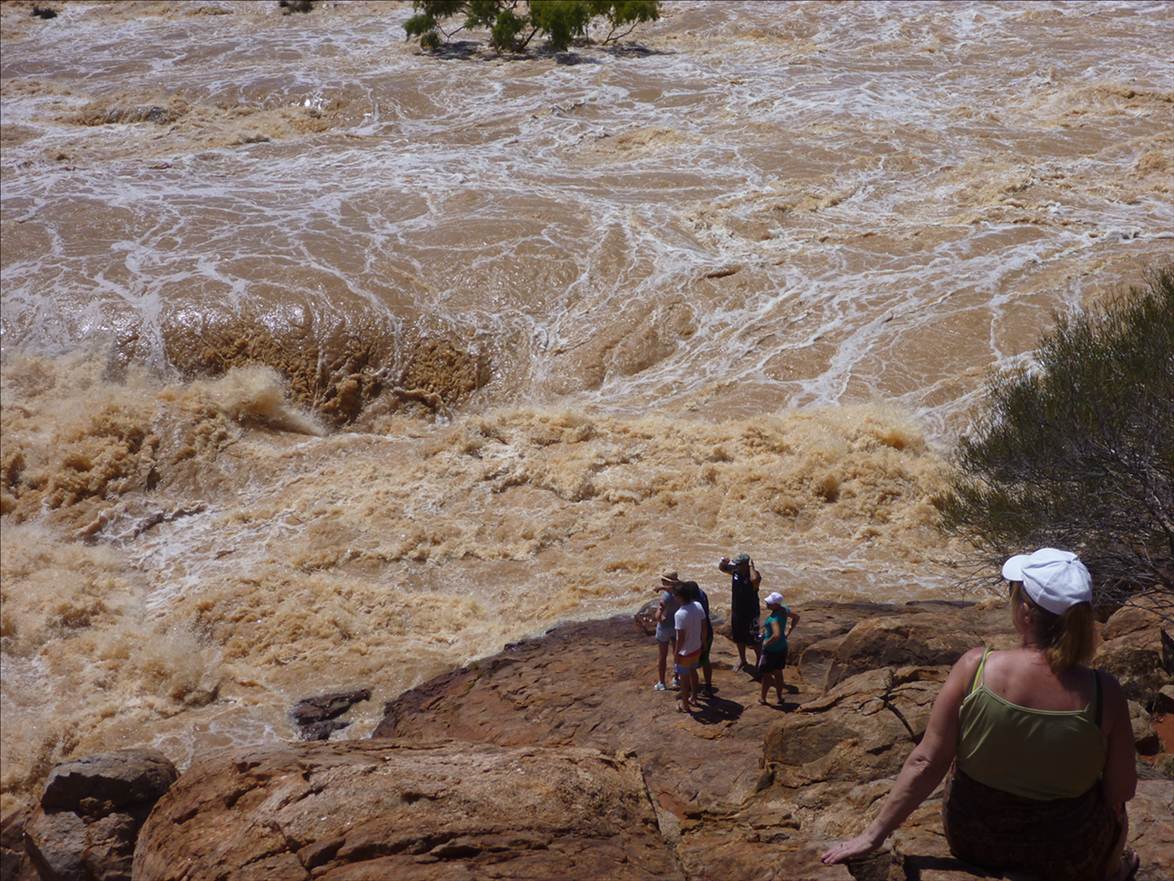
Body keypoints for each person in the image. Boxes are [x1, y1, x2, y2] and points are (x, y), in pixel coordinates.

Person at [821, 548, 1138, 881]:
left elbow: (926, 762)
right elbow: (1121, 792)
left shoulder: (976, 668)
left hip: (976, 841)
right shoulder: (1105, 691)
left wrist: (873, 836)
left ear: (1026, 613)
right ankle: (1113, 870)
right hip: (1066, 853)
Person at [719, 553, 761, 672]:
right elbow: (722, 568)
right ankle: (742, 659)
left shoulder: (754, 575)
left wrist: (751, 567)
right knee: (738, 637)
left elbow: (755, 580)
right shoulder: (735, 571)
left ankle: (759, 662)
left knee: (754, 639)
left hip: (751, 612)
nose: (736, 566)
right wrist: (723, 562)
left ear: (745, 565)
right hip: (737, 611)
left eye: (738, 564)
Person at [672, 580, 707, 714]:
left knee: (684, 680)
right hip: (696, 647)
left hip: (685, 652)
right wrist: (703, 642)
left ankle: (685, 705)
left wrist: (676, 654)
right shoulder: (698, 605)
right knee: (694, 673)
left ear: (680, 597)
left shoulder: (679, 614)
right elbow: (704, 626)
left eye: (675, 595)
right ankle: (694, 698)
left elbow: (680, 638)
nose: (674, 597)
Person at [758, 591, 798, 705]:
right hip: (782, 647)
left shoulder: (773, 619)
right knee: (778, 672)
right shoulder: (784, 609)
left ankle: (763, 698)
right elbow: (796, 617)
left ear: (776, 605)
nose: (767, 603)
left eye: (769, 603)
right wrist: (789, 631)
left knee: (766, 675)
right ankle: (779, 698)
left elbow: (776, 635)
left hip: (771, 650)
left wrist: (766, 643)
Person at [653, 571, 681, 691]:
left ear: (666, 582)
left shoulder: (665, 596)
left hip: (664, 627)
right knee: (676, 654)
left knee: (662, 656)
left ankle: (662, 682)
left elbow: (658, 615)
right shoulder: (680, 592)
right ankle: (676, 679)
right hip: (676, 626)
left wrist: (657, 617)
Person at [695, 581, 715, 696]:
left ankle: (693, 692)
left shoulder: (694, 606)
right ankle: (708, 686)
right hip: (708, 633)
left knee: (690, 664)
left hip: (698, 636)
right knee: (705, 660)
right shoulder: (702, 594)